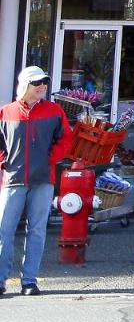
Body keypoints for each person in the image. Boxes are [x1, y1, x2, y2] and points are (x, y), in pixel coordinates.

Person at [0, 66, 74, 297]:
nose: (42, 85)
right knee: (4, 231)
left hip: (43, 179)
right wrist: (5, 162)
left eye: (44, 82)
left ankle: (29, 281)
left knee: (37, 231)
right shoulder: (6, 112)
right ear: (25, 86)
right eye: (37, 82)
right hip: (13, 179)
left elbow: (65, 140)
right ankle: (1, 280)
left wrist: (48, 160)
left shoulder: (54, 111)